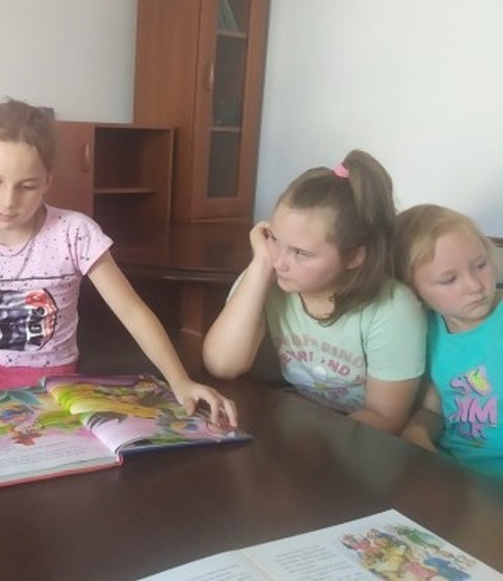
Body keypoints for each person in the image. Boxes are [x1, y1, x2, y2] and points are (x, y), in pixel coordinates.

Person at [0, 99, 238, 430]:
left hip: (53, 389)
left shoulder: (75, 233)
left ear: (48, 181)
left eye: (27, 186)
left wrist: (180, 380)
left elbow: (133, 312)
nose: (8, 201)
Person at [202, 150, 426, 434]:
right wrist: (259, 266)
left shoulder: (393, 309)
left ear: (355, 257)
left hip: (355, 438)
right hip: (305, 421)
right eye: (274, 238)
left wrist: (311, 444)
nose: (279, 261)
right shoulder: (268, 275)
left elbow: (384, 417)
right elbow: (222, 365)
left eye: (301, 253)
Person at [394, 204, 502, 481]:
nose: (475, 286)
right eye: (449, 279)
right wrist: (417, 432)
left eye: (481, 265)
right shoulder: (424, 330)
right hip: (452, 473)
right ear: (413, 291)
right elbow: (434, 408)